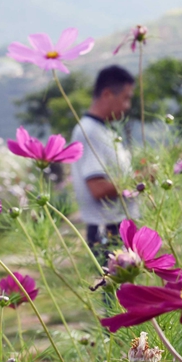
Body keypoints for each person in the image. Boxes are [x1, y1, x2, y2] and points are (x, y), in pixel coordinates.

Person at [70, 65, 140, 261]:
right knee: (115, 290)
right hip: (108, 230)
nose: (127, 106)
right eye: (126, 98)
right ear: (107, 94)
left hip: (119, 224)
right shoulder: (89, 131)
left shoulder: (103, 130)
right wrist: (139, 180)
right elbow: (98, 189)